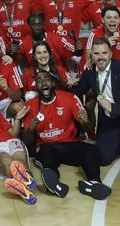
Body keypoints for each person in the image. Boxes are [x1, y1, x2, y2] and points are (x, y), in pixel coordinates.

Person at [23, 71, 111, 200]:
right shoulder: (30, 106)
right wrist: (30, 129)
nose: (43, 83)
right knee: (47, 156)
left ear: (52, 83)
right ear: (36, 86)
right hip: (47, 146)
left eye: (46, 79)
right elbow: (26, 141)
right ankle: (53, 184)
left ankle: (94, 183)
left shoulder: (69, 98)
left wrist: (86, 121)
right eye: (39, 81)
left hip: (70, 143)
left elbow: (89, 128)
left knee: (91, 150)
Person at [71, 38, 120, 177]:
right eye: (96, 54)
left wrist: (115, 108)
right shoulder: (89, 72)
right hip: (110, 120)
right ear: (92, 55)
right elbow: (78, 91)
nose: (100, 57)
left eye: (104, 53)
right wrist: (62, 89)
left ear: (111, 54)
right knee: (102, 159)